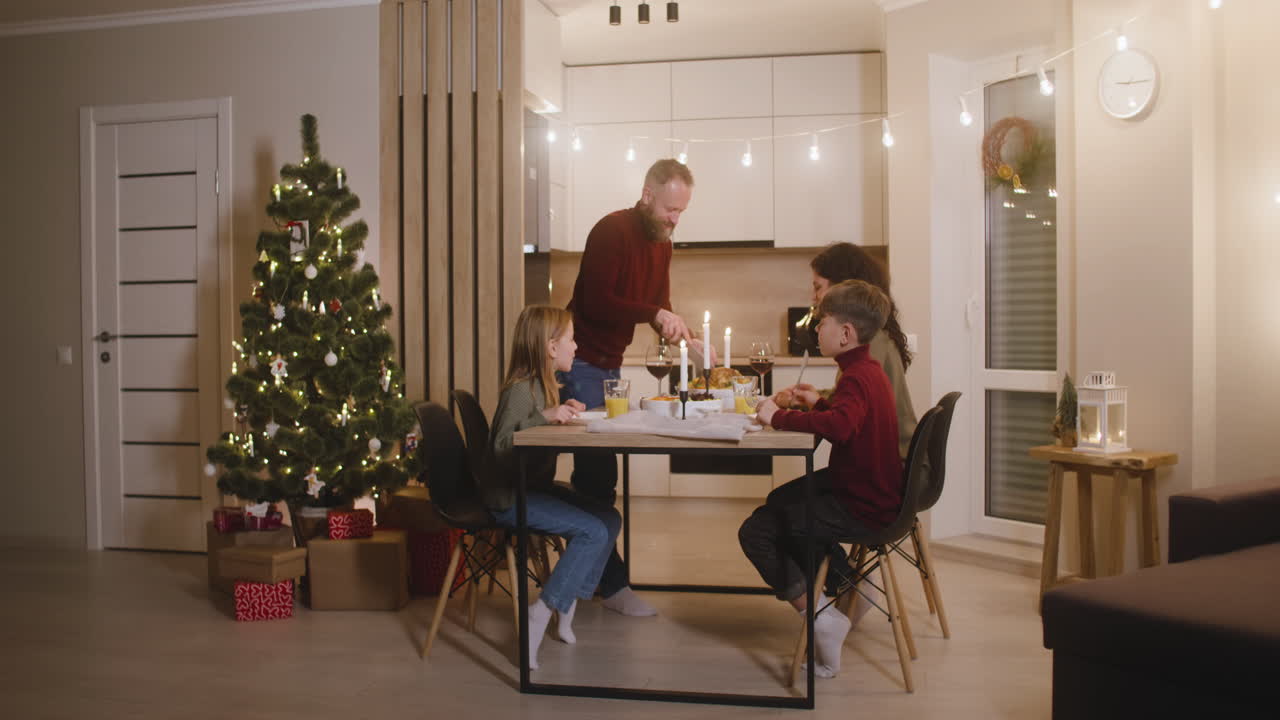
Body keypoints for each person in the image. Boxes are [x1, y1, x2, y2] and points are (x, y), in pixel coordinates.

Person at [560, 158, 714, 617]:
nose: (674, 219)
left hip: (607, 365)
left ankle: (588, 581)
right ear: (647, 194)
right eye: (670, 208)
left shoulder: (663, 245)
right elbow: (596, 300)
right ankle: (610, 586)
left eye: (681, 212)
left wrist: (682, 334)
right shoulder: (611, 230)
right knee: (597, 477)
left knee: (599, 477)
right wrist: (652, 314)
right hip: (581, 360)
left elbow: (658, 304)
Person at [741, 280, 904, 679]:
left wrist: (776, 416)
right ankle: (848, 584)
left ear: (846, 333)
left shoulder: (857, 376)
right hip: (871, 490)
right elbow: (849, 416)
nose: (816, 328)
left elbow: (842, 427)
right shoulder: (866, 370)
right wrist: (819, 402)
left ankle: (822, 619)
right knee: (781, 501)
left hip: (862, 503)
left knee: (757, 532)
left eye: (822, 321)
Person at [487, 305, 623, 670]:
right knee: (593, 532)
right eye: (570, 339)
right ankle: (540, 613)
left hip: (532, 489)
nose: (576, 347)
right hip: (510, 498)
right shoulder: (520, 390)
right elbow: (501, 448)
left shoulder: (542, 385)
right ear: (550, 347)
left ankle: (566, 604)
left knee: (608, 519)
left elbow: (533, 430)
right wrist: (544, 418)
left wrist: (558, 413)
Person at [777, 242, 917, 458]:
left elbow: (844, 418)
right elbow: (852, 400)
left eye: (818, 287)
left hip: (888, 462)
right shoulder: (872, 340)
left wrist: (782, 414)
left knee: (785, 494)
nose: (813, 298)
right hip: (884, 459)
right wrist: (814, 399)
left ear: (843, 288)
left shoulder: (869, 346)